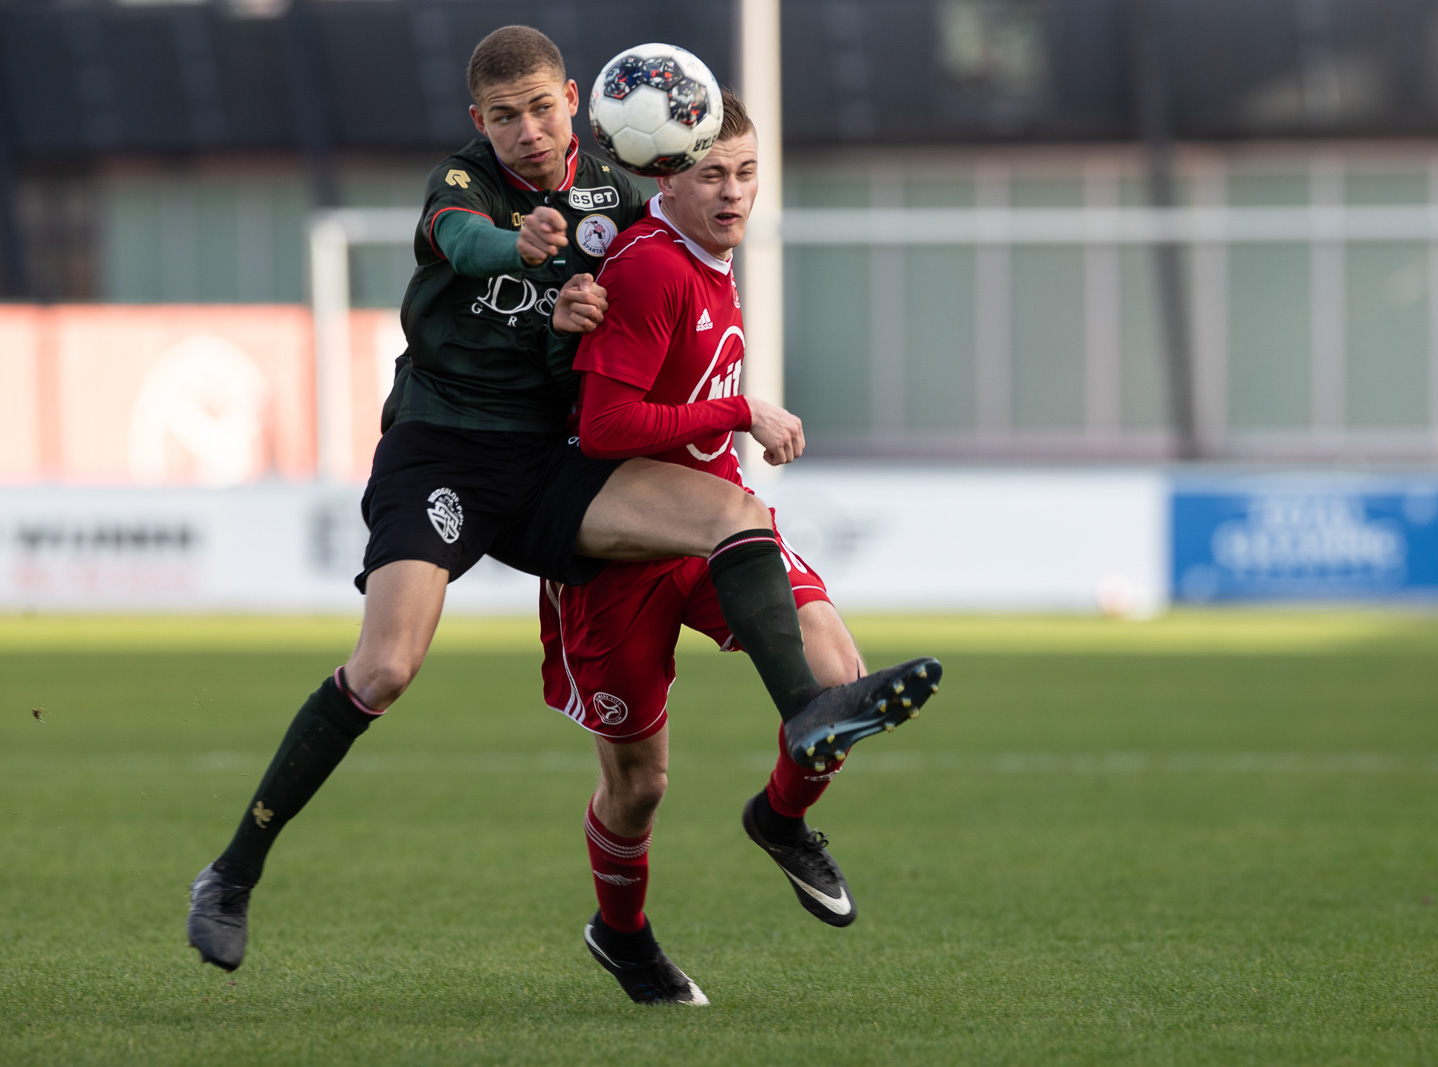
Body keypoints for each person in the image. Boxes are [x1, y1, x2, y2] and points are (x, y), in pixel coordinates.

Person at [185, 26, 940, 974]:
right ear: (479, 123)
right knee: (384, 668)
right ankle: (232, 872)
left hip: (549, 462)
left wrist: (589, 308)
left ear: (574, 100)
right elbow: (462, 241)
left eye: (543, 109)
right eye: (506, 117)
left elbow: (659, 233)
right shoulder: (467, 186)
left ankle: (806, 717)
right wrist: (520, 248)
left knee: (734, 516)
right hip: (444, 447)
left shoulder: (618, 189)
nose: (529, 133)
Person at [543, 89, 939, 1006]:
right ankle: (622, 934)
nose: (734, 193)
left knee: (838, 674)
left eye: (748, 172)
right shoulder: (648, 269)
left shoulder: (711, 259)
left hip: (720, 526)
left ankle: (780, 815)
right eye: (714, 173)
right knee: (639, 785)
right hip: (622, 545)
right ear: (668, 176)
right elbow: (605, 428)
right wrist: (742, 408)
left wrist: (729, 424)